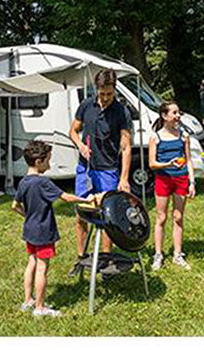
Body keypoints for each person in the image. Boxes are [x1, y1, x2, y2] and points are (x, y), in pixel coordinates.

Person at [12, 140, 92, 317]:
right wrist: (86, 199)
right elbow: (66, 198)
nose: (50, 164)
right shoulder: (43, 182)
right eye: (48, 160)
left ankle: (28, 300)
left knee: (32, 262)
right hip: (43, 231)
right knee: (42, 268)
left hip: (30, 230)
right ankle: (40, 308)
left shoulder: (24, 182)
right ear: (38, 161)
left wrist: (28, 216)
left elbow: (14, 206)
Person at [68, 69, 132, 270]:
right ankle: (81, 258)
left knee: (107, 216)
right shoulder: (86, 105)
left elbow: (126, 147)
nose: (105, 98)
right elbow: (73, 131)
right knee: (81, 213)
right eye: (102, 93)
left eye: (109, 94)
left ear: (114, 90)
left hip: (108, 170)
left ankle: (104, 259)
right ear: (96, 89)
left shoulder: (121, 112)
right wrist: (80, 145)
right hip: (85, 169)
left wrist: (124, 178)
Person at [148, 101, 195, 270]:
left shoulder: (184, 136)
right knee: (161, 218)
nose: (178, 116)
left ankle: (178, 255)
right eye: (174, 113)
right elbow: (152, 164)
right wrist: (168, 164)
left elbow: (188, 160)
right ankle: (158, 255)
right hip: (163, 180)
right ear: (164, 116)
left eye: (178, 113)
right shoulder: (155, 137)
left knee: (178, 217)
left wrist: (192, 182)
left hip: (181, 179)